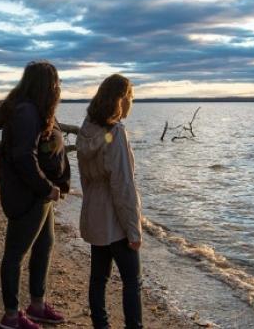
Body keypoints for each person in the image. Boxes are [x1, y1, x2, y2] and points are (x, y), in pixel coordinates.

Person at [0, 61, 71, 329]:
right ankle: (11, 316)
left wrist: (55, 185)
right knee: (15, 254)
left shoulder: (36, 109)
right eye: (56, 82)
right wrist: (46, 187)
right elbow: (23, 157)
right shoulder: (26, 112)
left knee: (44, 245)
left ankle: (37, 305)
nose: (58, 87)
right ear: (45, 84)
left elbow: (45, 148)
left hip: (41, 194)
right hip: (28, 194)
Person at [76, 74, 143, 329]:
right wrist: (133, 229)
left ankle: (100, 325)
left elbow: (84, 176)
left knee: (99, 278)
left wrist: (90, 205)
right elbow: (123, 185)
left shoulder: (88, 128)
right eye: (131, 99)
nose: (131, 104)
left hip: (94, 210)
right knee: (132, 280)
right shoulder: (115, 133)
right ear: (121, 100)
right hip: (115, 218)